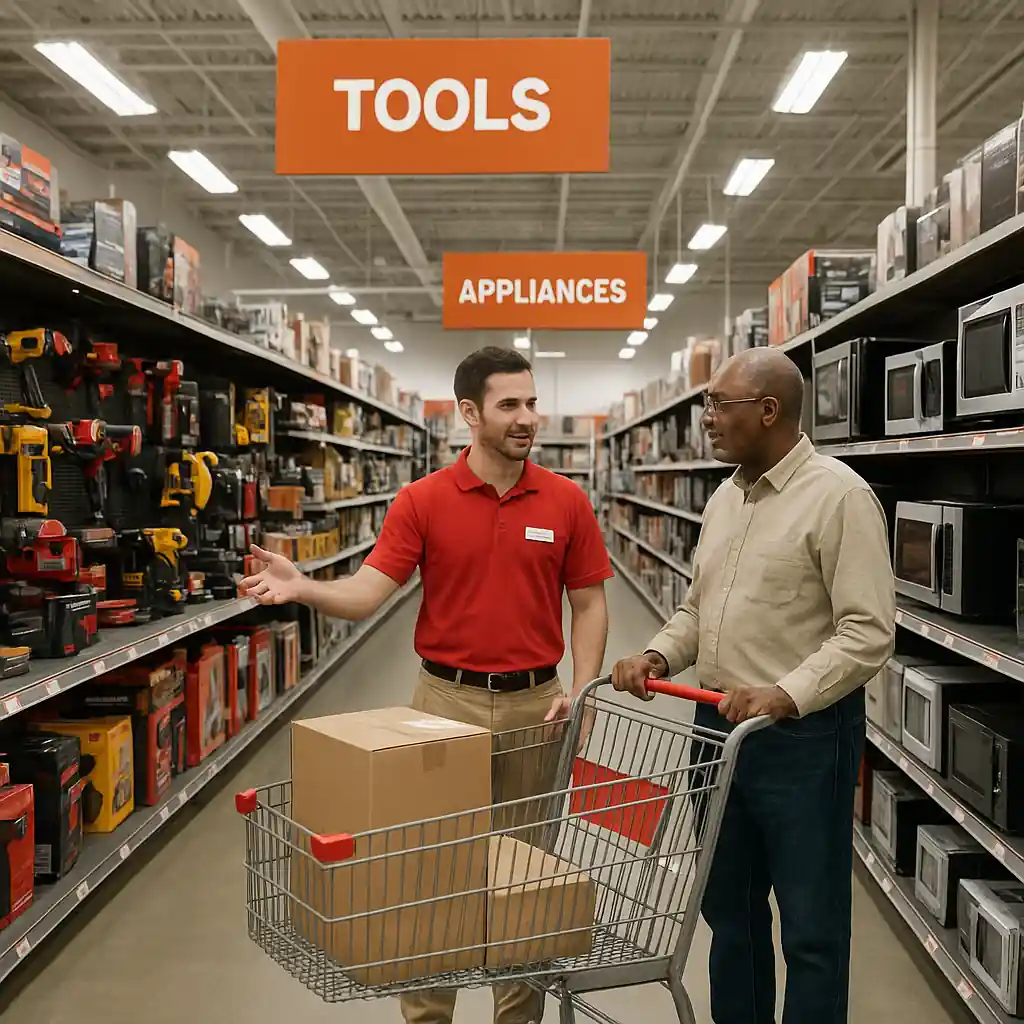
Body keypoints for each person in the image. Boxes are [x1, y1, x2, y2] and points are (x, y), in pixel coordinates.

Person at [241, 345, 612, 1024]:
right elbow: (367, 593)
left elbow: (589, 604)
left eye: (532, 403)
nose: (527, 418)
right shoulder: (423, 500)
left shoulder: (567, 501)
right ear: (470, 412)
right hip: (443, 705)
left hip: (539, 706)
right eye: (509, 405)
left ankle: (517, 1017)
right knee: (428, 874)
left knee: (525, 875)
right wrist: (304, 587)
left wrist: (583, 691)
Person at [611, 347, 895, 1024]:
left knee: (811, 925)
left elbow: (868, 631)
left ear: (768, 410)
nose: (706, 418)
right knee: (729, 913)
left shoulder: (839, 497)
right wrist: (656, 655)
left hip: (801, 738)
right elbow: (697, 609)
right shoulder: (724, 497)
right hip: (715, 731)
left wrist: (785, 692)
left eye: (718, 404)